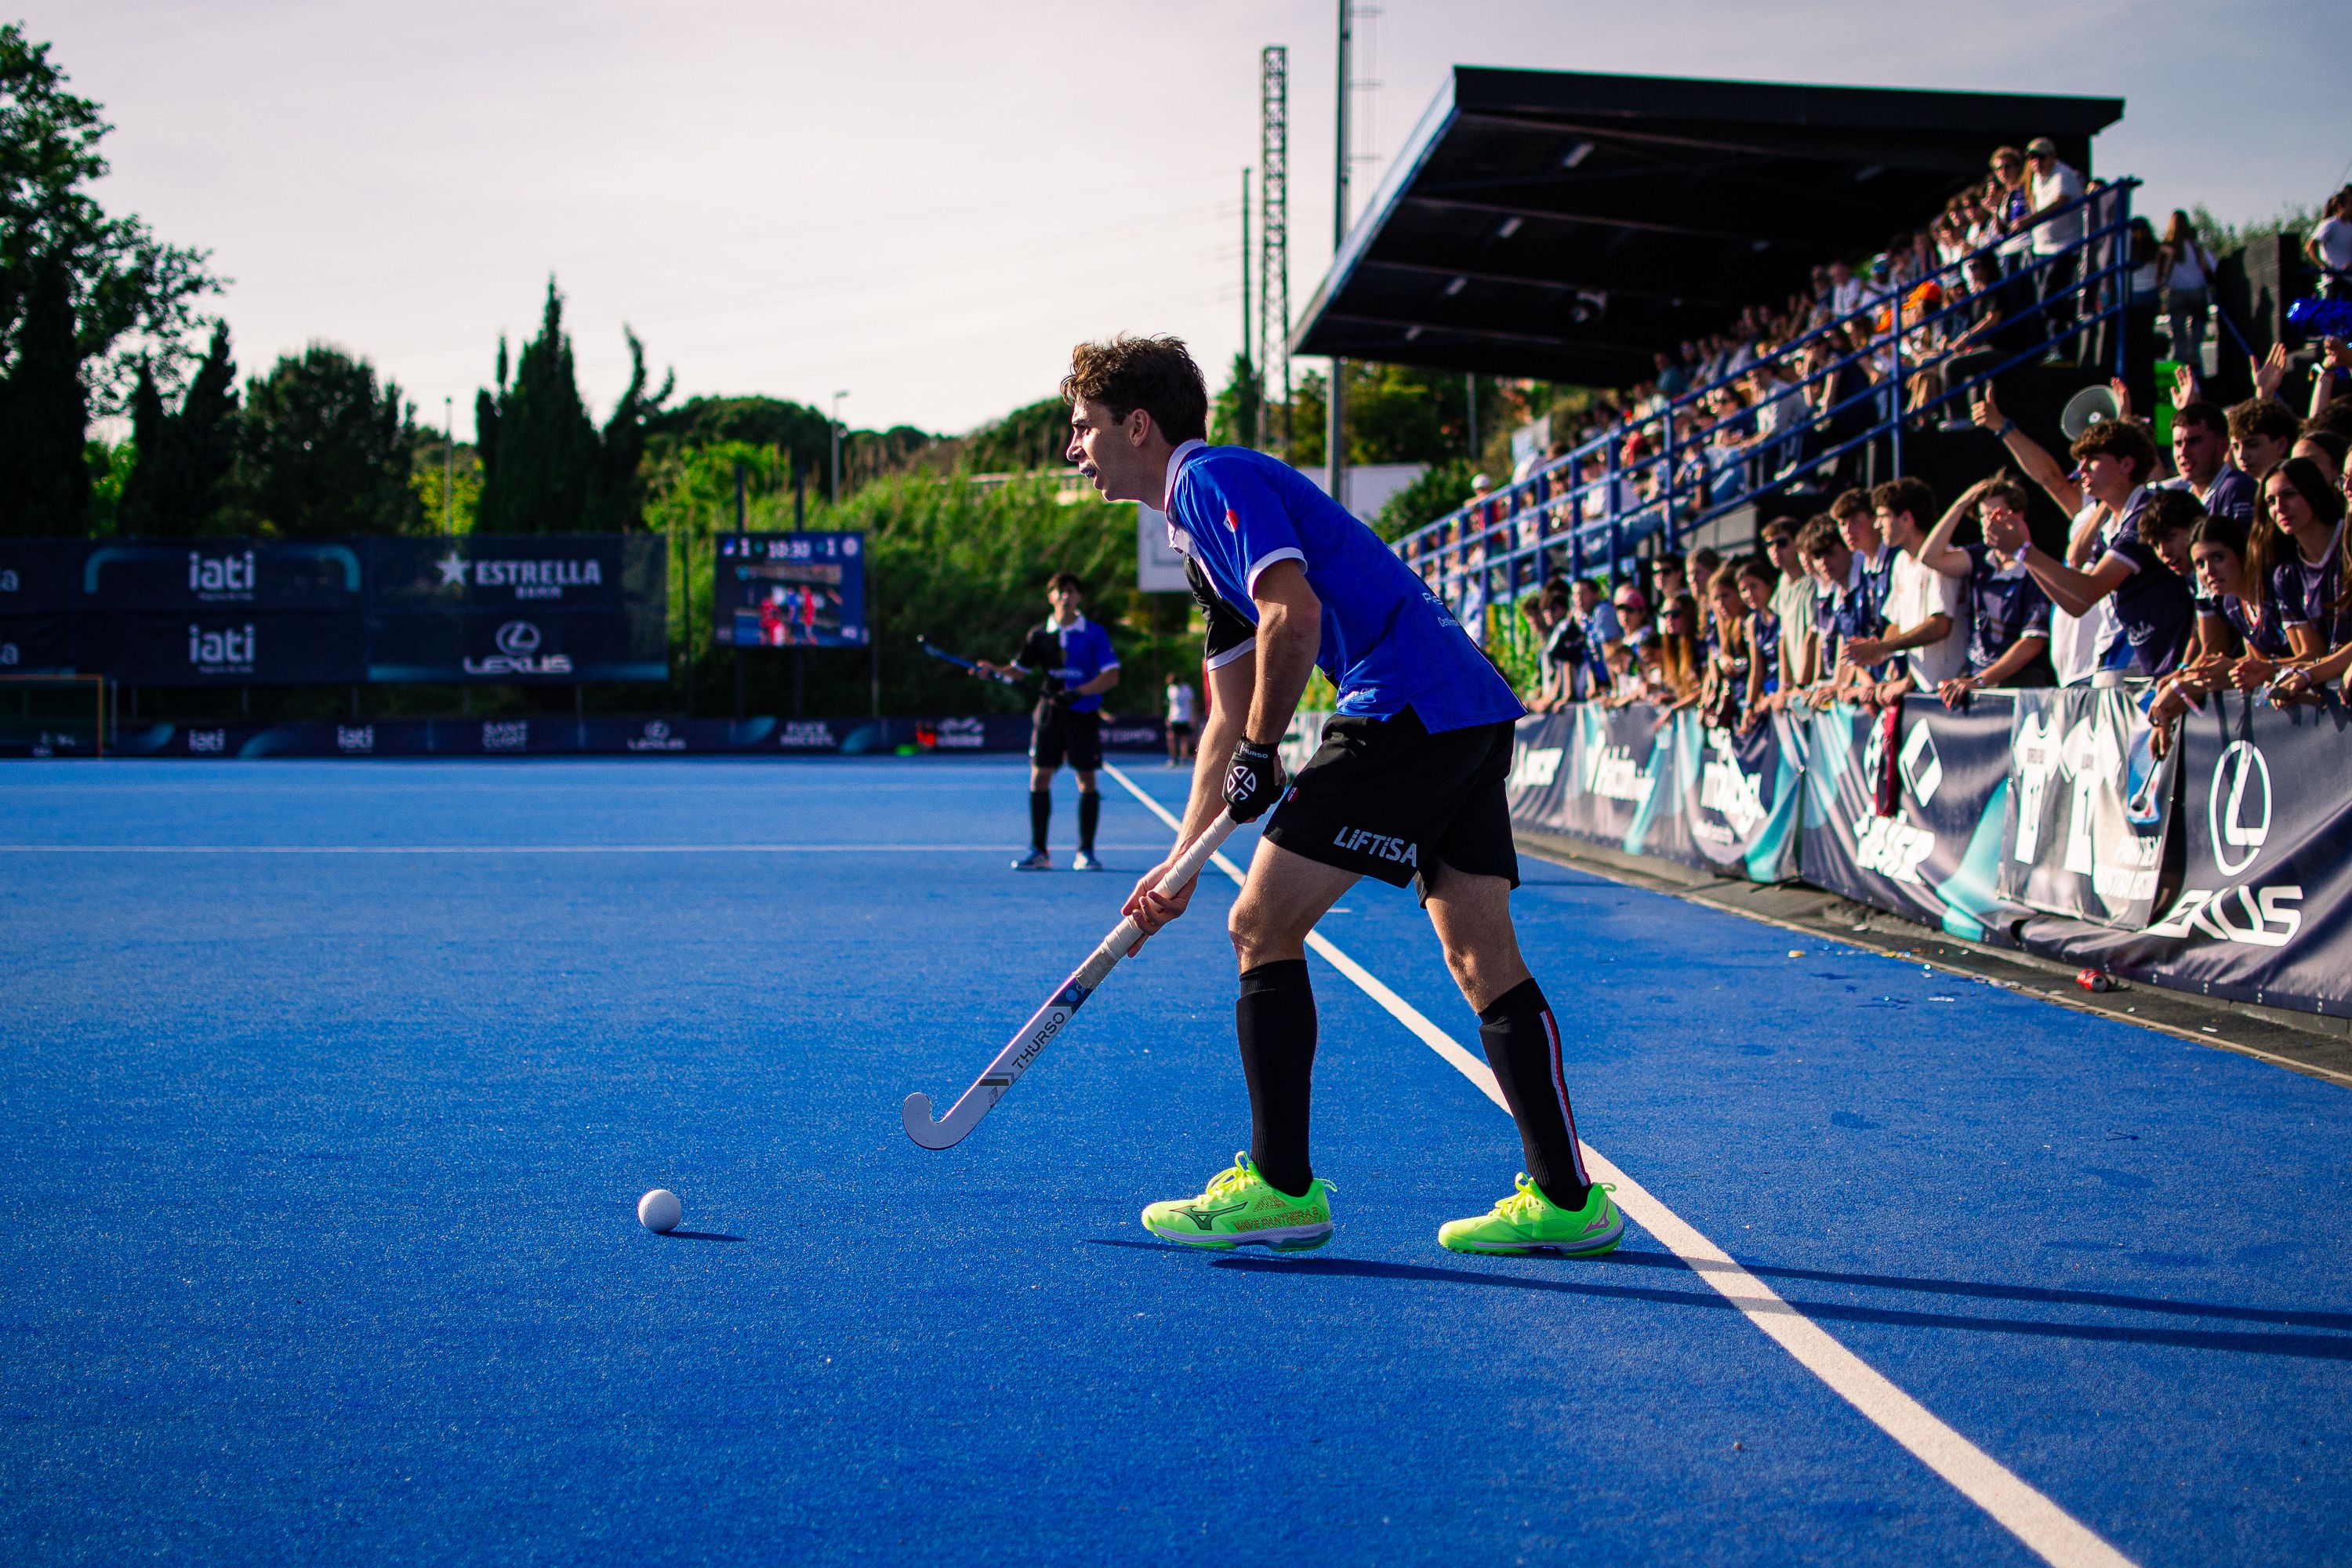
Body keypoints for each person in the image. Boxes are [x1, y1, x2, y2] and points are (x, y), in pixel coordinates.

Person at [1063, 333, 1624, 1259]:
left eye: (1082, 428)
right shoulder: (1198, 536)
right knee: (1482, 955)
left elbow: (1296, 614)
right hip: (1462, 705)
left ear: (1138, 423)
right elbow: (1226, 713)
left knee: (1262, 925)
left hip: (1402, 699)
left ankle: (1282, 1186)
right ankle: (1569, 1200)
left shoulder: (1206, 479)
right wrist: (1179, 863)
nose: (1073, 449)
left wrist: (1265, 750)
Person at [1983, 418, 2194, 681]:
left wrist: (2024, 550)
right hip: (2124, 662)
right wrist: (2022, 552)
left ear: (2126, 465)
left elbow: (2087, 591)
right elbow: (2075, 604)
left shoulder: (2147, 514)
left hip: (2151, 666)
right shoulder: (2110, 524)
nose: (2080, 469)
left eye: (2092, 459)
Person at [979, 572, 1120, 870]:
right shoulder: (1039, 635)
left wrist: (1078, 692)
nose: (1066, 596)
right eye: (1060, 591)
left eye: (1071, 591)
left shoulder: (1094, 633)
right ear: (1051, 596)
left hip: (1082, 713)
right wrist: (994, 670)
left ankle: (1086, 852)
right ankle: (1039, 851)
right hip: (1049, 715)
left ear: (1079, 597)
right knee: (1040, 777)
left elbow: (1111, 676)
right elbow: (1019, 670)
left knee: (1086, 779)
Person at [1915, 477, 2056, 704]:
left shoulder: (2034, 567)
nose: (1987, 522)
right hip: (1977, 682)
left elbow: (2032, 642)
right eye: (1982, 515)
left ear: (2018, 515)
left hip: (2017, 687)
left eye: (1995, 514)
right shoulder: (1981, 557)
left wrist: (1980, 680)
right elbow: (1929, 557)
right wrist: (1962, 503)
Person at [1839, 477, 1969, 707]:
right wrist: (1878, 651)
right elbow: (1897, 624)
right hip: (1921, 691)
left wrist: (1882, 647)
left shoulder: (1943, 560)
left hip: (1951, 694)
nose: (1877, 526)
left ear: (1906, 518)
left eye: (1882, 517)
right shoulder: (1899, 561)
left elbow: (1940, 625)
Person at [2250, 456, 2352, 663]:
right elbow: (2313, 654)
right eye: (2270, 501)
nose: (2279, 507)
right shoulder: (2287, 574)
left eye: (2289, 495)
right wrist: (2265, 668)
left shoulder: (2348, 540)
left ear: (2313, 492)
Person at [2024, 137, 2086, 358]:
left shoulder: (2063, 174)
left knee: (2049, 300)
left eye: (2040, 157)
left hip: (2063, 248)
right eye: (2032, 158)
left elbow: (2060, 201)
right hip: (2042, 249)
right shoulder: (2036, 179)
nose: (2036, 162)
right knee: (2045, 302)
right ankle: (2054, 348)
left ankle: (2061, 348)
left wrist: (2030, 220)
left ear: (2052, 157)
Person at [2158, 390, 2256, 524]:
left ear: (2222, 445)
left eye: (2194, 441)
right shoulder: (2178, 495)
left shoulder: (2237, 488)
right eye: (2178, 444)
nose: (2184, 452)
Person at [2158, 210, 2215, 365]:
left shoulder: (2167, 248)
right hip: (2197, 290)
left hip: (2176, 292)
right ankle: (2194, 354)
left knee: (2178, 330)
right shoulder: (2196, 247)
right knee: (2197, 325)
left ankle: (2181, 360)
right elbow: (2210, 267)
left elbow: (2162, 274)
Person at [2305, 190, 2352, 300]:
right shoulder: (2330, 224)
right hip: (2332, 281)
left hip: (2349, 280)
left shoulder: (2350, 227)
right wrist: (2323, 266)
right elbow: (2310, 246)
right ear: (2341, 206)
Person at [1163, 671, 1196, 767]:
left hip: (1185, 718)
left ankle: (1184, 759)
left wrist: (1193, 717)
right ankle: (1173, 759)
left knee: (1184, 740)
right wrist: (1168, 717)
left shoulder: (1187, 689)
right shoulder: (1170, 689)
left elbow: (1192, 703)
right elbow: (1170, 704)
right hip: (1174, 718)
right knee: (1171, 738)